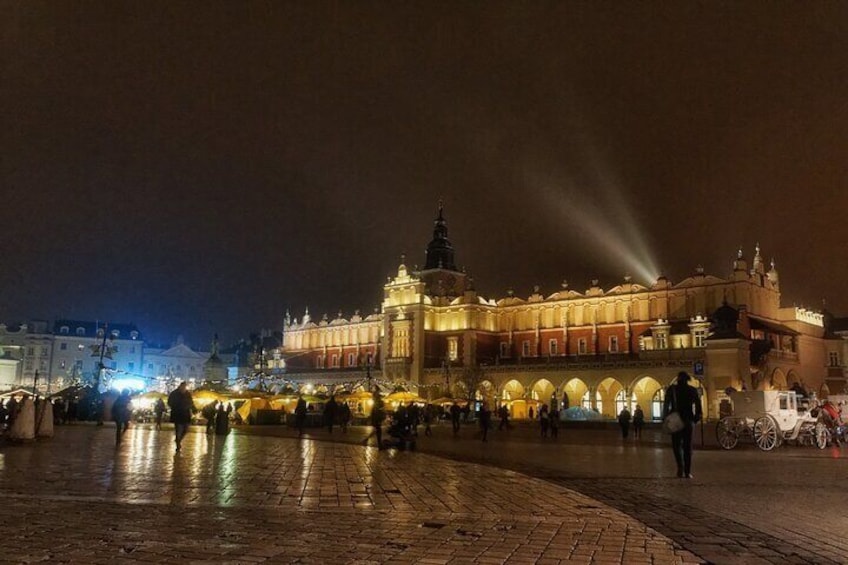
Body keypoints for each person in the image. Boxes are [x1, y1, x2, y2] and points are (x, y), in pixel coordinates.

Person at [663, 371, 703, 478]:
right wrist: (695, 418)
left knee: (676, 446)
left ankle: (680, 468)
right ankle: (687, 471)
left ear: (678, 379)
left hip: (675, 420)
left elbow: (666, 405)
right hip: (688, 420)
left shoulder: (672, 390)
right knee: (687, 446)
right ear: (687, 380)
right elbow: (698, 407)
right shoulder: (692, 390)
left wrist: (665, 418)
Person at [167, 382, 195, 452]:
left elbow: (191, 402)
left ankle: (178, 440)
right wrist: (176, 406)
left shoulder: (187, 393)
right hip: (177, 414)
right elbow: (169, 402)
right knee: (178, 430)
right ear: (180, 386)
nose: (184, 388)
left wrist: (194, 409)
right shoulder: (174, 393)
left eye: (185, 387)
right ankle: (178, 445)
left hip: (186, 414)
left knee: (186, 429)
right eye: (183, 386)